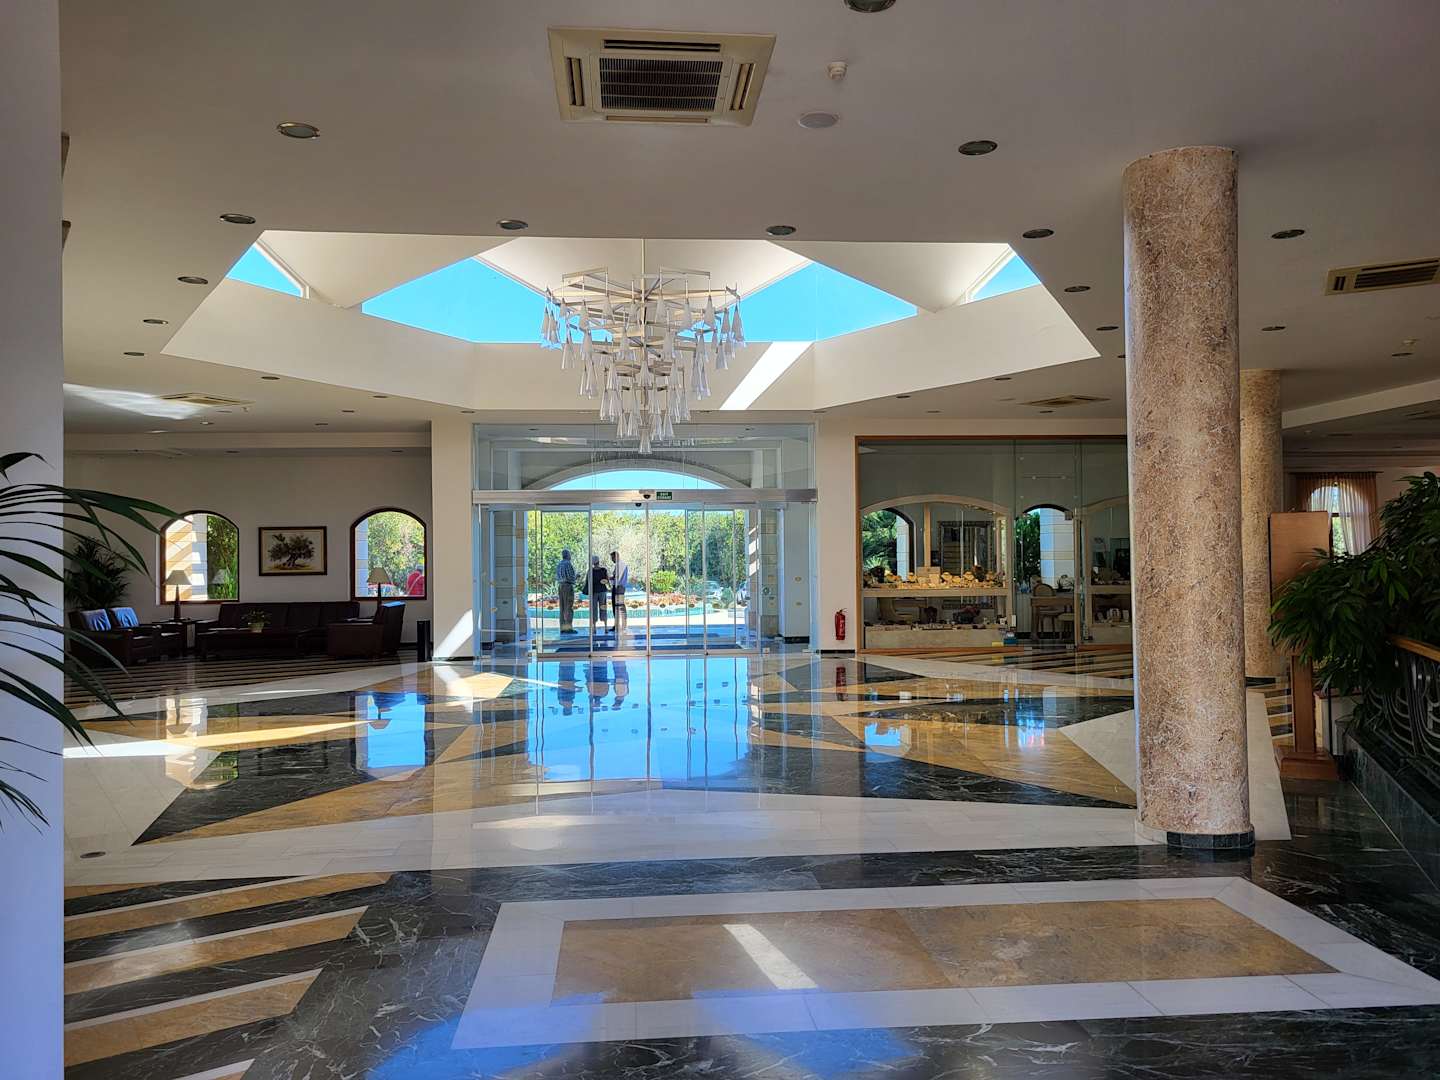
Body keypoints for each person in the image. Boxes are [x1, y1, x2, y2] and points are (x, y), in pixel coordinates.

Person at [586, 554, 609, 632]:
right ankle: (606, 627)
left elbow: (588, 582)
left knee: (594, 609)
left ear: (592, 562)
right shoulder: (604, 570)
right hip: (602, 591)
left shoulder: (590, 571)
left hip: (594, 592)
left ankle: (594, 628)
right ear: (598, 561)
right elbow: (607, 581)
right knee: (603, 608)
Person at [556, 548, 576, 633]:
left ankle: (562, 628)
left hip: (560, 586)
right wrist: (577, 576)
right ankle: (568, 628)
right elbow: (570, 577)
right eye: (570, 554)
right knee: (568, 607)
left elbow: (557, 576)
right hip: (567, 586)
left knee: (562, 607)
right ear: (567, 555)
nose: (570, 556)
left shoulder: (559, 564)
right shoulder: (568, 564)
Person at [610, 549, 629, 631]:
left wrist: (608, 578)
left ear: (616, 557)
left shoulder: (619, 565)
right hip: (621, 587)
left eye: (612, 558)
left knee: (616, 606)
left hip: (618, 587)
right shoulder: (623, 565)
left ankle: (618, 625)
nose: (612, 560)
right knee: (621, 606)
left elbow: (616, 577)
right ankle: (623, 625)